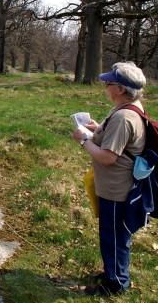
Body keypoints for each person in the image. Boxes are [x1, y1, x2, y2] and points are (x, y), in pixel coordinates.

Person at [72, 61, 147, 296]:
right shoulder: (126, 108)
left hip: (117, 191)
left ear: (122, 89)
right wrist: (96, 129)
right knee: (111, 235)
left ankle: (116, 285)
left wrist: (84, 140)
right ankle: (112, 272)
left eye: (110, 83)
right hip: (114, 188)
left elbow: (107, 157)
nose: (105, 86)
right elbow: (113, 140)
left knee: (114, 238)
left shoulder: (124, 118)